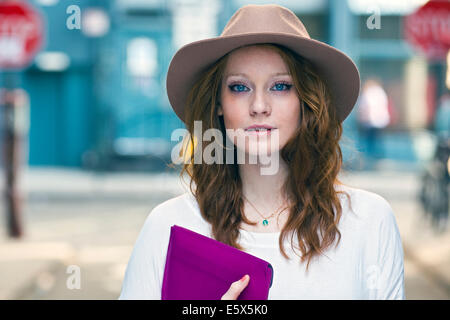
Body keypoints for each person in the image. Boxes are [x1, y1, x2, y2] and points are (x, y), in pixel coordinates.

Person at [119, 4, 405, 300]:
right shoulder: (168, 226)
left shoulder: (370, 222)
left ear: (306, 101)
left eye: (280, 86)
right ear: (218, 103)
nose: (258, 105)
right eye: (239, 87)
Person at [357, 78, 391, 169]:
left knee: (369, 141)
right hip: (380, 121)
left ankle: (369, 160)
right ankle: (378, 159)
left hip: (369, 121)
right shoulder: (380, 92)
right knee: (378, 140)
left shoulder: (368, 93)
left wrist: (361, 118)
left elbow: (364, 107)